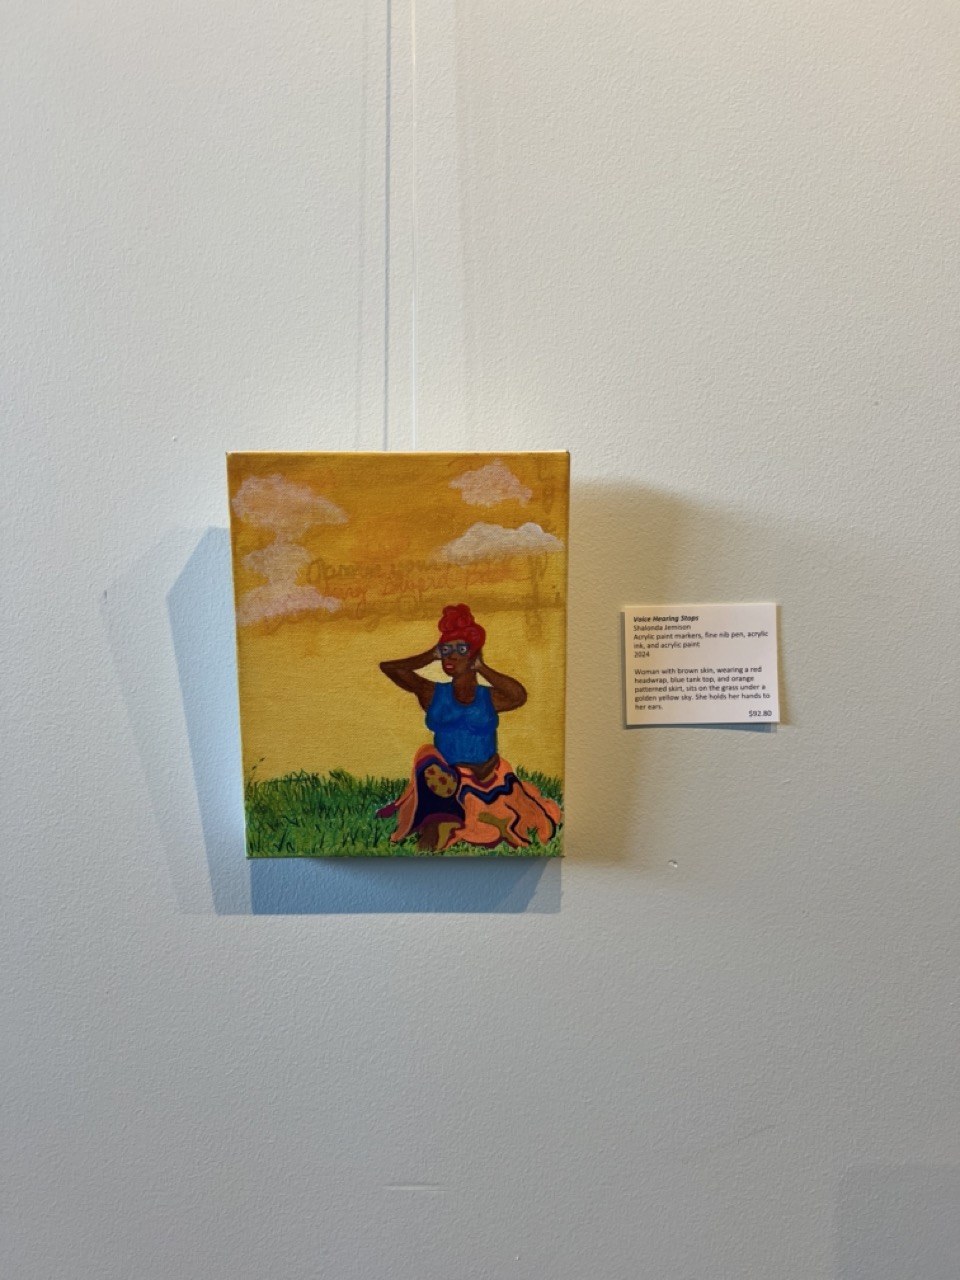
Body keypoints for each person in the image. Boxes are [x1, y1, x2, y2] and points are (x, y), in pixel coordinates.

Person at [377, 603, 562, 853]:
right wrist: (431, 655)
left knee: (508, 822)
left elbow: (519, 696)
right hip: (447, 778)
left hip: (489, 776)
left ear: (473, 654)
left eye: (461, 649)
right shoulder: (432, 693)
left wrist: (482, 668)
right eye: (447, 650)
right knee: (429, 775)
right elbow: (390, 668)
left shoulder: (489, 697)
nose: (451, 656)